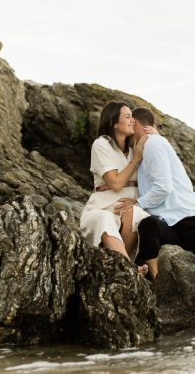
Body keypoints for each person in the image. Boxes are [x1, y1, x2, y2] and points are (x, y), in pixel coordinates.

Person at [113, 107, 195, 279]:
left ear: (136, 123)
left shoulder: (153, 143)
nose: (129, 129)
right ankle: (157, 281)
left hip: (191, 222)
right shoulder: (143, 150)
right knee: (148, 225)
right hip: (171, 226)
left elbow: (164, 187)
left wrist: (136, 204)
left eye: (131, 123)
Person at [79, 101, 154, 266]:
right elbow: (115, 184)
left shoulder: (135, 147)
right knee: (104, 218)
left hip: (128, 213)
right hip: (101, 209)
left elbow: (160, 157)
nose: (132, 121)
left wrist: (155, 135)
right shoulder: (101, 144)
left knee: (137, 214)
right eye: (128, 117)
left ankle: (122, 265)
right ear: (113, 122)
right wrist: (136, 160)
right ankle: (128, 268)